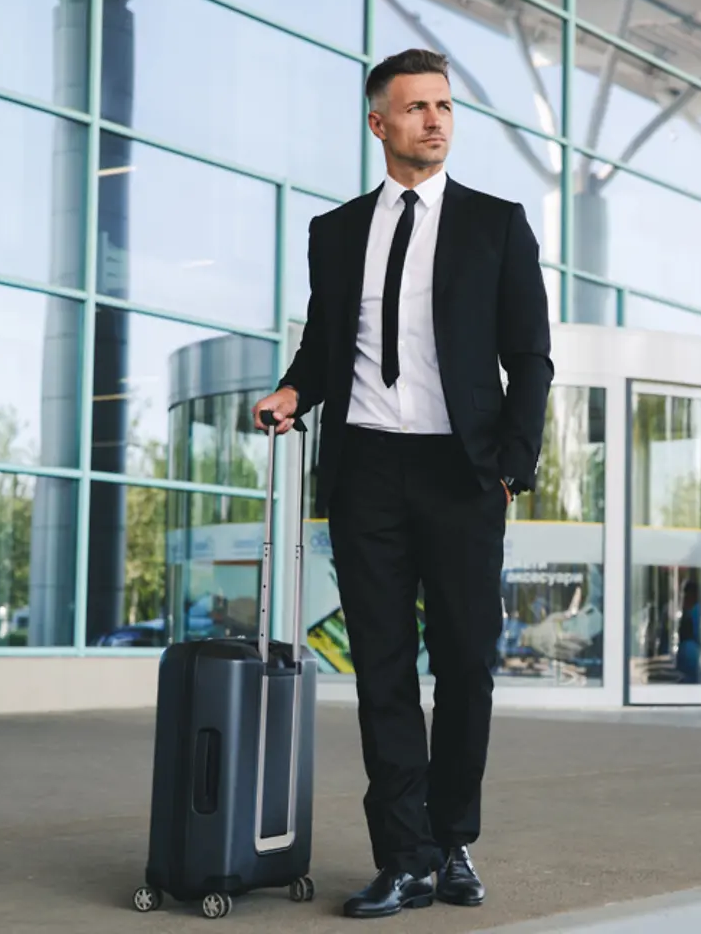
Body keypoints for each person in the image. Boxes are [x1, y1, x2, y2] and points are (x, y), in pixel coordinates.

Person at [252, 48, 553, 919]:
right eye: (417, 107)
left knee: (465, 665)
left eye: (446, 106)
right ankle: (406, 858)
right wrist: (292, 390)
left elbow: (529, 358)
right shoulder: (336, 232)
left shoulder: (497, 225)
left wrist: (511, 465)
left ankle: (453, 838)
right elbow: (323, 350)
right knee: (382, 673)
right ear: (379, 122)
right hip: (367, 470)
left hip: (462, 473)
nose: (436, 120)